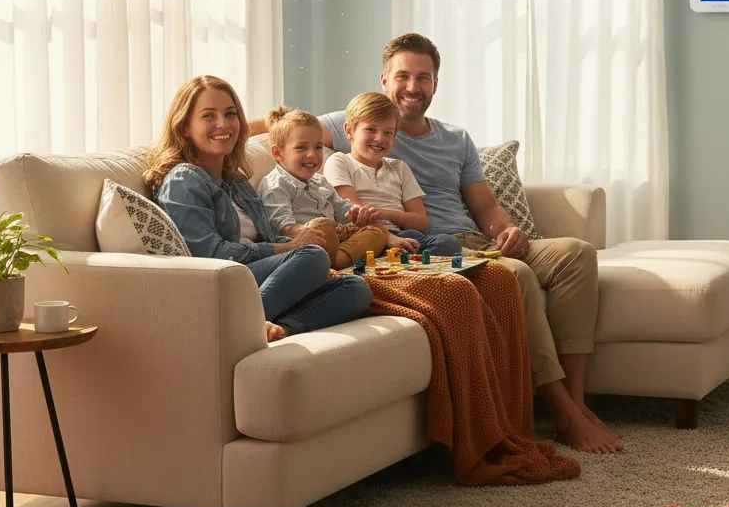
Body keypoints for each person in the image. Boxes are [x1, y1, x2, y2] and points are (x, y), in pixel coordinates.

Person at [319, 34, 622, 455]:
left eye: (422, 77)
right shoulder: (359, 121)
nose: (412, 86)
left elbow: (485, 205)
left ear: (435, 84)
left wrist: (508, 229)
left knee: (576, 252)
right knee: (513, 275)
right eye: (402, 76)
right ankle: (562, 411)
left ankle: (577, 400)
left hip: (478, 239)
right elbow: (287, 125)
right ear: (384, 80)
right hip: (434, 248)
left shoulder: (455, 138)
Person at [143, 75, 371, 343]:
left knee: (355, 287)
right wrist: (290, 249)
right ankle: (239, 326)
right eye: (208, 116)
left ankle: (280, 329)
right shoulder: (184, 179)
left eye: (230, 114)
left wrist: (293, 247)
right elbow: (207, 254)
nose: (223, 124)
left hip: (260, 278)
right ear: (183, 127)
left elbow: (268, 240)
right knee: (313, 256)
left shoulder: (237, 182)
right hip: (223, 281)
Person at [322, 92, 463, 257]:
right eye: (370, 129)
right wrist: (387, 237)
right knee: (366, 246)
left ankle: (402, 261)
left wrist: (382, 213)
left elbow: (420, 221)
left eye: (388, 132)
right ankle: (401, 262)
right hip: (363, 235)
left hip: (403, 237)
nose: (379, 139)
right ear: (349, 131)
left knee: (448, 243)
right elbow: (352, 214)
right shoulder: (339, 162)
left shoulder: (399, 167)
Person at [257, 105, 393, 269]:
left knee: (377, 230)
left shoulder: (321, 181)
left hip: (335, 237)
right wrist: (316, 231)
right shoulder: (276, 183)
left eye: (318, 147)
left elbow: (342, 209)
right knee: (321, 225)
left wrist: (356, 213)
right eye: (301, 147)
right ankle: (331, 262)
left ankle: (337, 261)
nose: (312, 154)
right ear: (278, 153)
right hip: (302, 243)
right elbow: (282, 227)